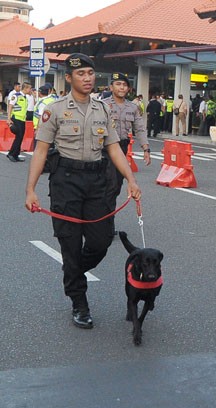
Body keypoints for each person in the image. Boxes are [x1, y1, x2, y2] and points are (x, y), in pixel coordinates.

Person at [24, 53, 142, 329]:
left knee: (100, 242)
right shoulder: (54, 110)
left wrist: (131, 180)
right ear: (69, 78)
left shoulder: (103, 109)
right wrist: (30, 190)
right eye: (81, 74)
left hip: (96, 181)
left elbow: (114, 147)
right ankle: (79, 303)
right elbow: (40, 151)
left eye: (90, 73)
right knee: (70, 243)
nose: (87, 78)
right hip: (65, 182)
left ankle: (73, 272)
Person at [103, 72, 151, 214]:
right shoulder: (102, 106)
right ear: (111, 87)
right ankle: (105, 224)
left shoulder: (133, 107)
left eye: (124, 85)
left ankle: (107, 220)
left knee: (117, 185)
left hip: (122, 148)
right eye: (118, 84)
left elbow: (140, 129)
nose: (122, 87)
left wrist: (146, 149)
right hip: (105, 149)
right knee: (108, 185)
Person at [6, 82, 32, 162]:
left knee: (20, 138)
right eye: (30, 88)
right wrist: (9, 118)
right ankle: (11, 154)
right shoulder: (16, 96)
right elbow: (10, 106)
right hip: (16, 119)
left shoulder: (25, 97)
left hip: (22, 120)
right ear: (26, 88)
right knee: (18, 137)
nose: (30, 90)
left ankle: (16, 154)